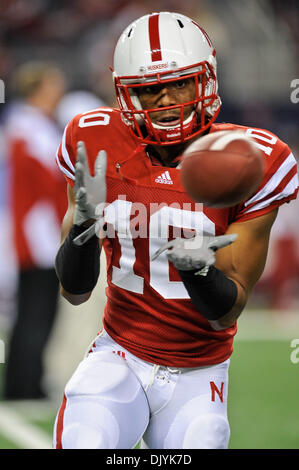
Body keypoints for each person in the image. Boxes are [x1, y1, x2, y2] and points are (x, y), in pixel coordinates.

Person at [53, 12, 298, 449]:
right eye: (148, 89)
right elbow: (74, 292)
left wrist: (197, 267)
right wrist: (82, 230)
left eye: (180, 82)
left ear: (206, 78)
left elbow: (224, 312)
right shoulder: (95, 141)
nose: (166, 99)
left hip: (199, 370)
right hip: (119, 354)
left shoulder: (253, 162)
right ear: (125, 95)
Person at [3, 61, 67, 399]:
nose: (59, 92)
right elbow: (54, 178)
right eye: (54, 85)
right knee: (37, 311)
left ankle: (24, 382)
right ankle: (25, 386)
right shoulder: (32, 128)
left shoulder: (30, 126)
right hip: (39, 234)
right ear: (38, 89)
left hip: (36, 230)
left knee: (33, 310)